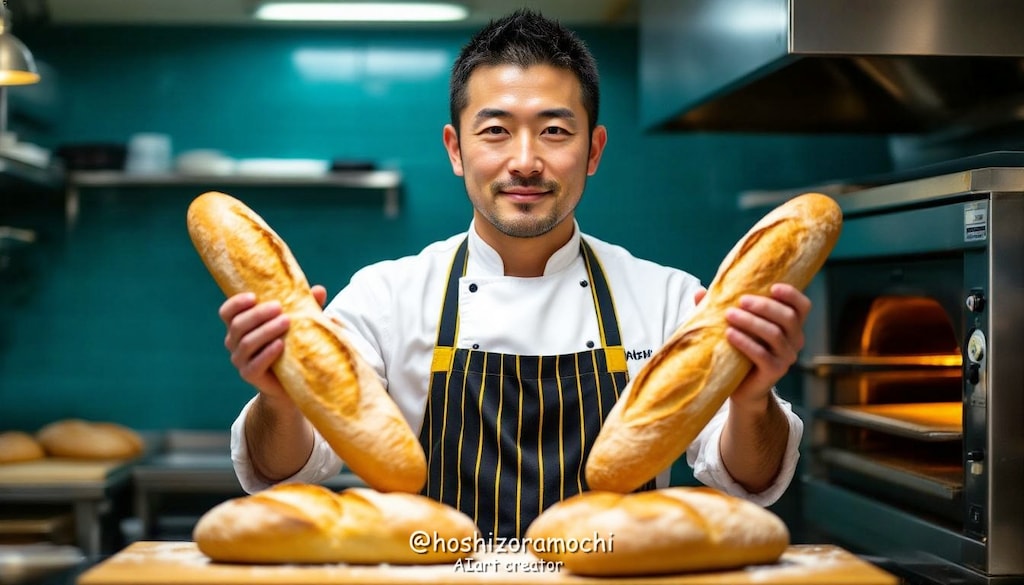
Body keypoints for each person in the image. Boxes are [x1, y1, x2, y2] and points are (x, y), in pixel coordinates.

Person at [219, 9, 807, 540]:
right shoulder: (384, 297)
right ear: (455, 149)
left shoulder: (670, 298)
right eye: (495, 130)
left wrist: (754, 401)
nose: (525, 160)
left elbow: (743, 479)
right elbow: (283, 471)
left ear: (594, 150)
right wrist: (280, 401)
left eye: (555, 130)